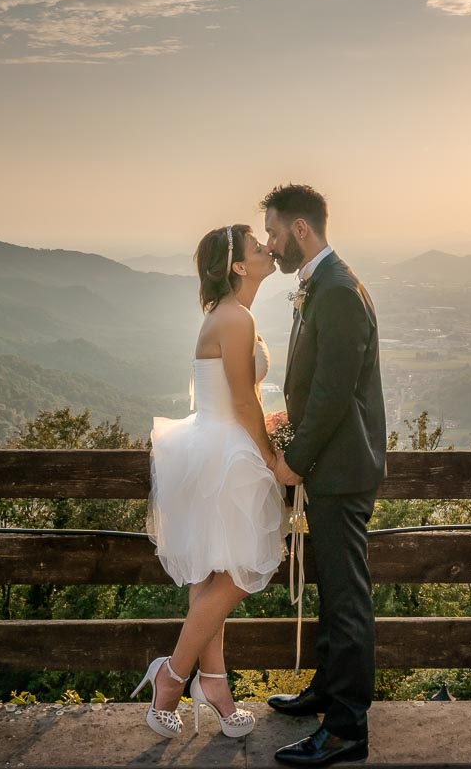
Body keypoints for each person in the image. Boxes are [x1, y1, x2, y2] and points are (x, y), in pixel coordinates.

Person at [133, 223, 289, 740]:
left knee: (213, 574)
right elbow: (244, 401)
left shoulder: (229, 315)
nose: (268, 248)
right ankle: (173, 677)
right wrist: (272, 458)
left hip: (218, 446)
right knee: (242, 571)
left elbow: (237, 398)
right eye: (256, 245)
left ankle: (215, 683)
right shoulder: (235, 317)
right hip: (227, 451)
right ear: (239, 266)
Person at [261, 183, 385, 767]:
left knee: (346, 598)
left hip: (339, 470)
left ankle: (346, 729)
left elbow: (337, 394)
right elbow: (322, 384)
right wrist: (294, 414)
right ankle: (323, 692)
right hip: (332, 466)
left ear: (301, 230)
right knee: (330, 590)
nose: (270, 243)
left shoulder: (335, 292)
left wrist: (294, 459)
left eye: (275, 232)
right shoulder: (324, 286)